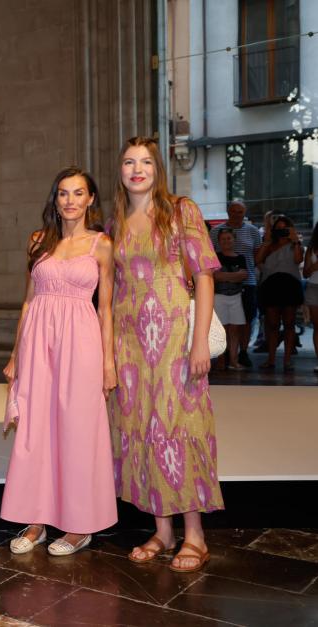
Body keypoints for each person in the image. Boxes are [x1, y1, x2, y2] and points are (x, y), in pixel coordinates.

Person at [109, 137, 223, 573]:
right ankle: (162, 530)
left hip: (175, 338)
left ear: (158, 169)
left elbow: (205, 276)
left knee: (180, 427)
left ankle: (195, 536)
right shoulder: (115, 222)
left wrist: (198, 342)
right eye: (128, 162)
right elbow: (115, 290)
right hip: (131, 345)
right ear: (120, 169)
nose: (137, 169)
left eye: (145, 162)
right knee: (142, 430)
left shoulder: (181, 210)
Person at [1, 167, 117, 556]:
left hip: (81, 341)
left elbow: (107, 309)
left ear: (90, 200)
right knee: (36, 430)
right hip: (38, 342)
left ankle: (78, 526)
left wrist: (108, 363)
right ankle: (36, 520)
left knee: (77, 431)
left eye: (78, 193)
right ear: (56, 199)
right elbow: (27, 301)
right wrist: (15, 356)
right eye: (63, 193)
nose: (70, 200)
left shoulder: (101, 244)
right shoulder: (38, 241)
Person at [209, 201, 261, 366]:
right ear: (228, 212)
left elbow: (257, 257)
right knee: (221, 323)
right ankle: (222, 358)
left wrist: (230, 276)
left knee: (245, 320)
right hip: (220, 289)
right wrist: (228, 277)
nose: (237, 214)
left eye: (240, 211)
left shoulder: (253, 231)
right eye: (233, 211)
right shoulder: (216, 231)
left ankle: (243, 353)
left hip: (249, 281)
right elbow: (210, 258)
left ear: (244, 213)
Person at [255, 214, 304, 371]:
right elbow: (257, 260)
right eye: (278, 229)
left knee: (289, 324)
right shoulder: (269, 245)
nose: (281, 232)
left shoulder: (295, 244)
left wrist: (295, 240)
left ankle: (287, 360)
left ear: (290, 229)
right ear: (273, 230)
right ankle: (271, 360)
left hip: (290, 285)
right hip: (271, 286)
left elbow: (298, 260)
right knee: (272, 325)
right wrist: (267, 240)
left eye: (285, 229)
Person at [213, 228, 249, 370]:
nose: (226, 241)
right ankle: (221, 361)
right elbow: (215, 276)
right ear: (219, 241)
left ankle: (234, 361)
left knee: (235, 330)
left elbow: (244, 275)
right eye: (223, 239)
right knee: (221, 330)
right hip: (219, 297)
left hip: (236, 297)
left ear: (234, 239)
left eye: (229, 238)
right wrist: (234, 276)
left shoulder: (241, 257)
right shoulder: (214, 256)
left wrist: (223, 276)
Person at [303, 222, 318, 373]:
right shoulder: (312, 249)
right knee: (317, 327)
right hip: (314, 287)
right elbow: (305, 274)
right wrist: (314, 267)